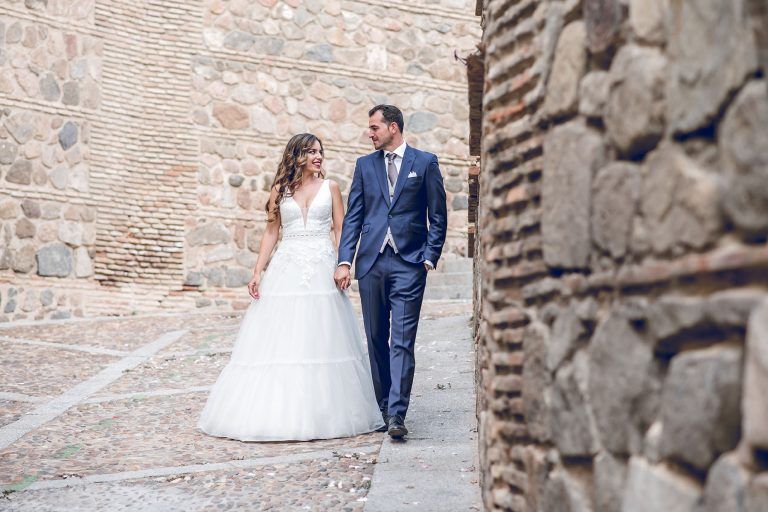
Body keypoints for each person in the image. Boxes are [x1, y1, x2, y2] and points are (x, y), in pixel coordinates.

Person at [198, 133, 385, 441]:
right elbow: (271, 232)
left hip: (322, 268)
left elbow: (341, 229)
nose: (318, 156)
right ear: (296, 155)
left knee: (323, 336)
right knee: (283, 337)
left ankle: (324, 413)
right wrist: (257, 271)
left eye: (320, 151)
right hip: (287, 267)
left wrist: (344, 263)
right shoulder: (280, 190)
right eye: (311, 151)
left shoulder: (331, 187)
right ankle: (279, 412)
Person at [334, 105, 447, 438]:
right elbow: (354, 217)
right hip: (371, 263)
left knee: (402, 340)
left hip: (409, 263)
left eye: (374, 128)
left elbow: (437, 215)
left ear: (393, 127)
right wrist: (345, 260)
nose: (369, 133)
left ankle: (397, 414)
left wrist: (429, 256)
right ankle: (383, 405)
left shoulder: (425, 163)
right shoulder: (364, 165)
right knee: (375, 338)